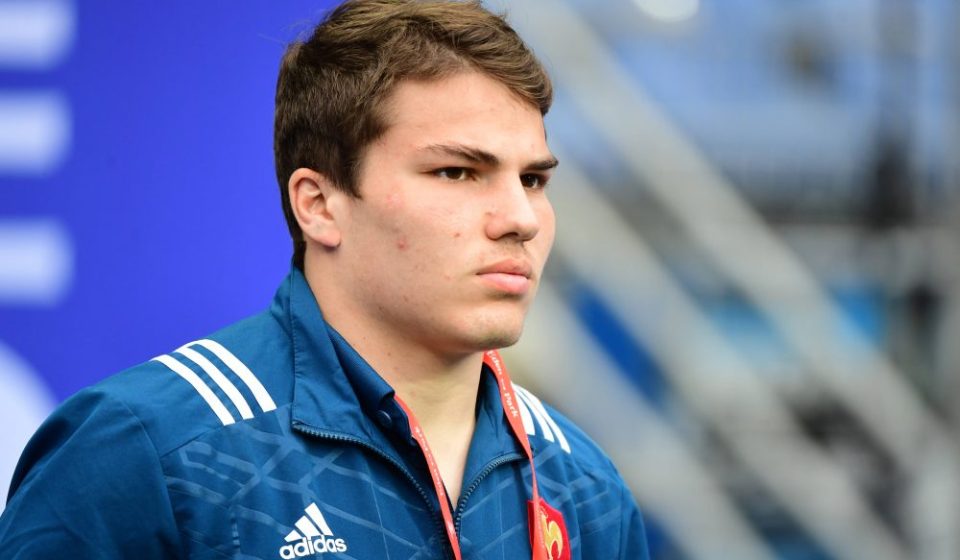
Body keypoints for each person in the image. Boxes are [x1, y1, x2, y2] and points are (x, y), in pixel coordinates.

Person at [0, 1, 650, 558]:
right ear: (319, 204)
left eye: (534, 180)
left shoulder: (582, 486)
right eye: (457, 172)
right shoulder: (149, 453)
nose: (520, 219)